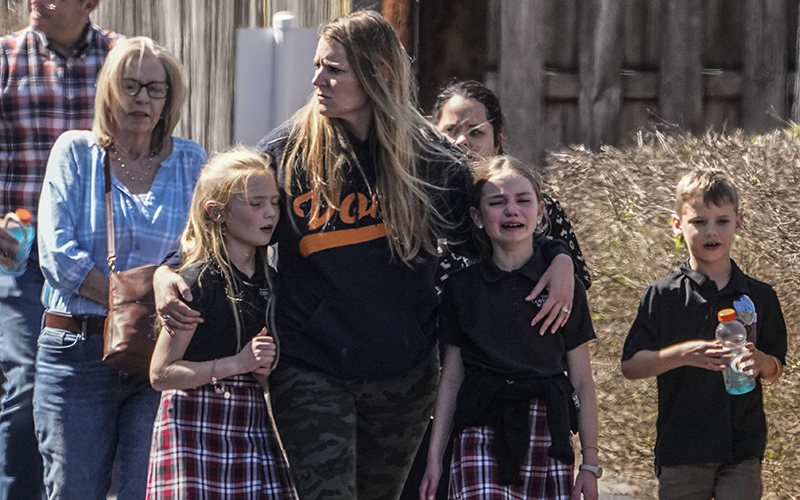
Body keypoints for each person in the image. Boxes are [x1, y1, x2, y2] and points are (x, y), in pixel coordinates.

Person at [155, 11, 575, 500]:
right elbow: (221, 215)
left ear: (379, 74)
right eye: (317, 65)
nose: (317, 79)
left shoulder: (431, 159)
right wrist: (169, 271)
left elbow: (502, 219)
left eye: (334, 69)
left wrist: (556, 254)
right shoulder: (287, 152)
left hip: (404, 374)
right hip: (310, 367)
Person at [35, 37, 207, 500]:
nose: (142, 99)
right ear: (109, 91)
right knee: (74, 490)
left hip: (159, 358)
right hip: (78, 349)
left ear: (170, 98)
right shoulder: (75, 152)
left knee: (146, 490)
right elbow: (57, 257)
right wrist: (134, 302)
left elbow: (203, 250)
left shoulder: (192, 161)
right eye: (130, 86)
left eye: (155, 89)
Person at [420, 156, 599, 500]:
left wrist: (590, 462)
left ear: (541, 210)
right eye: (497, 202)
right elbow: (452, 378)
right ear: (477, 217)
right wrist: (434, 459)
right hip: (480, 427)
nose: (511, 211)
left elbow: (582, 381)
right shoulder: (462, 288)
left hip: (549, 430)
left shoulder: (565, 287)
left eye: (523, 200)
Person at [0, 1, 120, 497]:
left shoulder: (119, 62)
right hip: (22, 255)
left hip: (100, 257)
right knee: (27, 381)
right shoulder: (5, 60)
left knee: (106, 381)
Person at [620, 170, 786, 500]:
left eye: (722, 221)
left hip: (742, 447)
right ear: (677, 225)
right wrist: (683, 354)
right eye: (699, 221)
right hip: (682, 450)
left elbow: (776, 369)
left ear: (738, 222)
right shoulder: (663, 295)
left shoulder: (760, 295)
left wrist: (761, 361)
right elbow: (631, 366)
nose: (711, 231)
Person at [146, 149, 296, 499]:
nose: (270, 212)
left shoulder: (271, 282)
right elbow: (160, 373)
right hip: (194, 420)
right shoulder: (196, 281)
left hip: (249, 417)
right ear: (217, 212)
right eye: (256, 203)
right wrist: (238, 363)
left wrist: (262, 370)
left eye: (274, 202)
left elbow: (264, 367)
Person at [431, 80, 591, 290]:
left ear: (497, 143)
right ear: (433, 138)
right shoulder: (419, 208)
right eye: (450, 130)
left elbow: (575, 288)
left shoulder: (535, 206)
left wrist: (561, 258)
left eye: (476, 132)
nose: (461, 141)